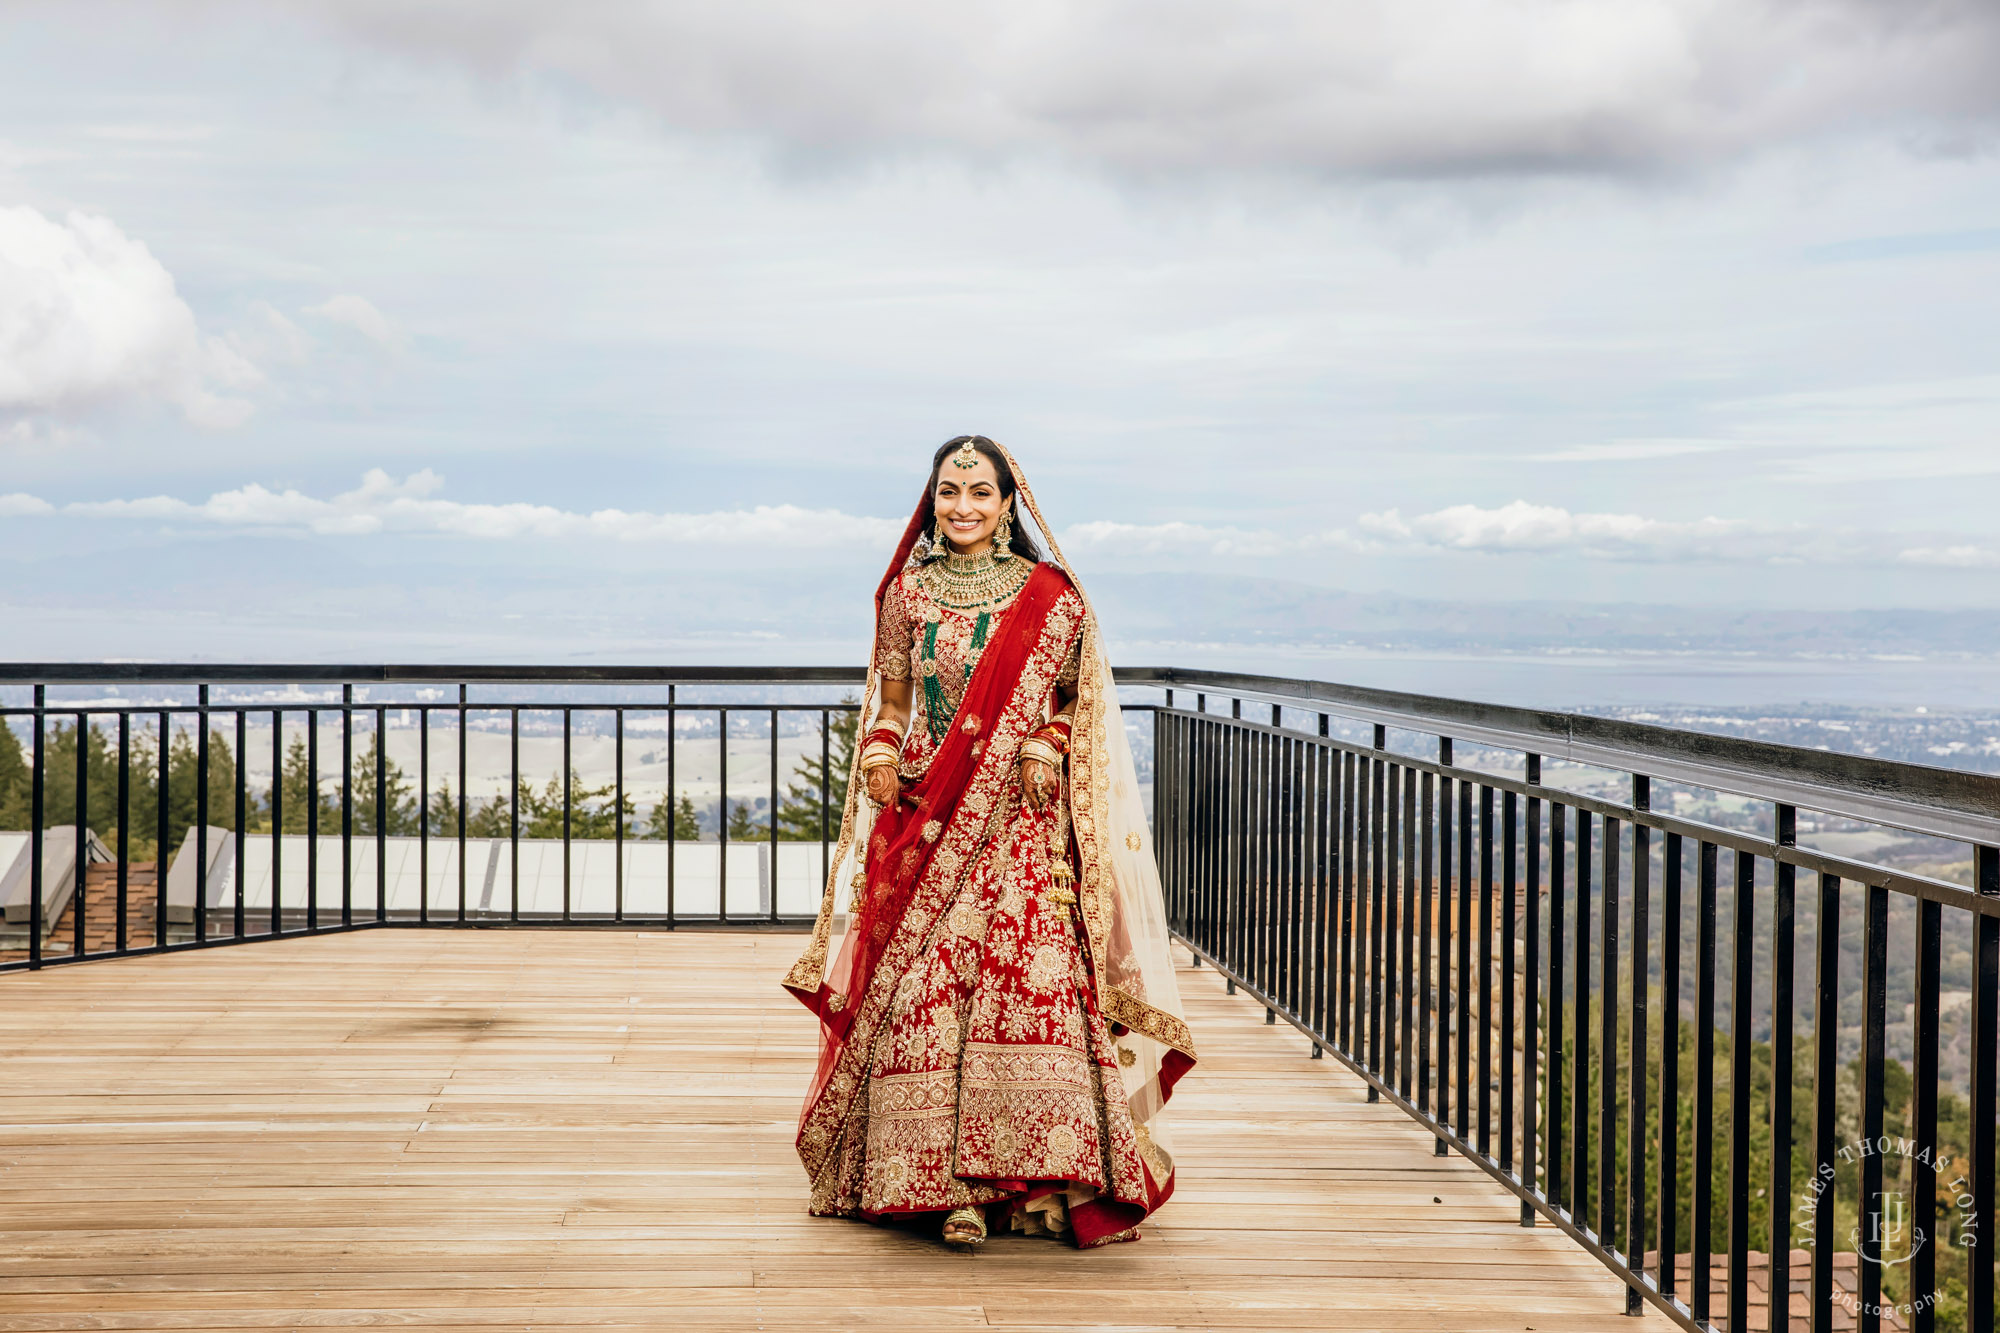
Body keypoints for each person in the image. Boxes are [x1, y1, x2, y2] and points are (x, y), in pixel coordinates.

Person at [783, 435, 1196, 1250]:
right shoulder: (909, 593)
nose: (963, 506)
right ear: (930, 501)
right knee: (926, 993)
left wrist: (1045, 737)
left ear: (1010, 503)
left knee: (1030, 986)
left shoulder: (1053, 597)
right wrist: (880, 747)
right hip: (928, 822)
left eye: (979, 492)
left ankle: (1031, 1186)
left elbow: (1075, 701)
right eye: (948, 492)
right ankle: (943, 1189)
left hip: (1025, 831)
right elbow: (894, 700)